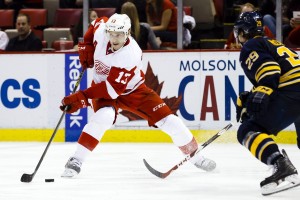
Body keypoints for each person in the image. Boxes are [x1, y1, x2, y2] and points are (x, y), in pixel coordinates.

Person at [60, 13, 216, 178]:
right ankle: (76, 160)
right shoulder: (102, 31)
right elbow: (96, 23)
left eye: (119, 34)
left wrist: (82, 97)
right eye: (111, 33)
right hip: (103, 88)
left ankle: (196, 156)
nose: (114, 38)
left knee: (171, 122)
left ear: (127, 33)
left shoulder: (130, 53)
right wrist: (86, 46)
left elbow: (112, 90)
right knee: (104, 117)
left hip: (132, 90)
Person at [234, 11, 300, 195]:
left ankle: (280, 165)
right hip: (295, 88)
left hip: (293, 92)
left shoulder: (251, 45)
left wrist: (260, 94)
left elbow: (270, 72)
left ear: (243, 32)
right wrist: (251, 96)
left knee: (247, 130)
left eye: (238, 32)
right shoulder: (273, 42)